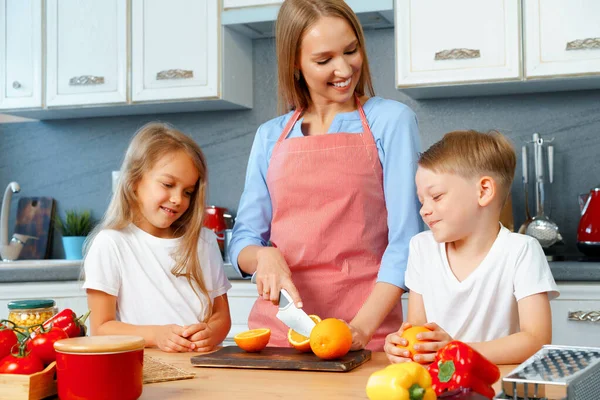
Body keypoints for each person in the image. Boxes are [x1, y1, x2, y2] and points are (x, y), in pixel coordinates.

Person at [228, 0, 422, 351]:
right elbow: (242, 240)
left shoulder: (391, 121)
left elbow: (406, 241)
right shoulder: (271, 136)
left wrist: (358, 331)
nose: (344, 68)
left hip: (365, 335)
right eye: (324, 60)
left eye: (351, 50)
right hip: (277, 337)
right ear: (295, 64)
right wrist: (263, 257)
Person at [384, 130, 559, 365]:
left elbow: (536, 340)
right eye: (422, 200)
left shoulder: (522, 251)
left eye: (436, 196)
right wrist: (404, 347)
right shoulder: (421, 248)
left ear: (484, 191)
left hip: (495, 385)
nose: (424, 210)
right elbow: (417, 327)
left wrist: (456, 350)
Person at [83, 122, 232, 353]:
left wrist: (212, 332)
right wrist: (156, 335)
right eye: (168, 184)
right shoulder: (111, 243)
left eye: (187, 192)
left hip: (204, 368)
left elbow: (221, 315)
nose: (177, 199)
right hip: (147, 369)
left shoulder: (204, 241)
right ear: (134, 182)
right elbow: (101, 328)